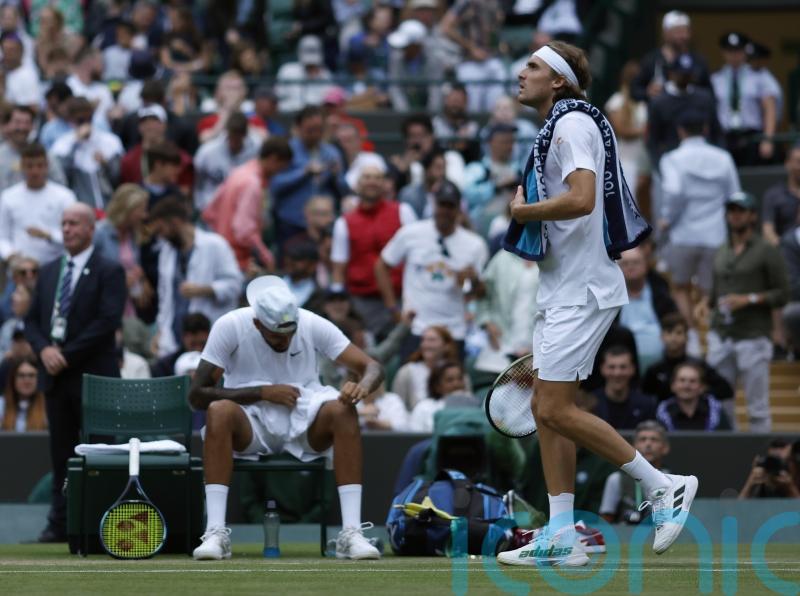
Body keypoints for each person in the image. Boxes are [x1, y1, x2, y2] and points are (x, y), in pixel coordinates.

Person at [497, 41, 696, 568]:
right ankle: (563, 535)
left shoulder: (571, 124)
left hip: (581, 291)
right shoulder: (560, 124)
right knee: (545, 411)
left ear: (558, 81)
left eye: (533, 66)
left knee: (554, 408)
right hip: (561, 288)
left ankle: (662, 484)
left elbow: (582, 198)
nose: (521, 74)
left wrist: (524, 212)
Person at [188, 276, 384, 560]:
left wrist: (363, 386)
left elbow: (372, 366)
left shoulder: (310, 322)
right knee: (218, 411)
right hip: (250, 423)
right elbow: (197, 396)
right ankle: (216, 533)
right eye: (277, 336)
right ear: (257, 323)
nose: (286, 340)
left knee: (343, 410)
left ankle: (351, 533)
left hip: (305, 420)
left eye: (291, 333)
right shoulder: (230, 325)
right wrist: (263, 393)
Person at [25, 203, 126, 542]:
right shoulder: (49, 271)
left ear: (90, 229)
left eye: (74, 223)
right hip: (56, 378)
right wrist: (44, 350)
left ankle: (101, 522)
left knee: (101, 453)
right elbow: (31, 321)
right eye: (64, 223)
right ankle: (60, 523)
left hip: (95, 377)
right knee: (61, 455)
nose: (67, 229)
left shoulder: (109, 270)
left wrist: (64, 355)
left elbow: (107, 320)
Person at [706, 191, 788, 432]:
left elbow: (783, 294)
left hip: (753, 335)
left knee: (757, 408)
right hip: (721, 333)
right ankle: (724, 450)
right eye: (731, 210)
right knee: (721, 404)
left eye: (741, 210)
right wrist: (705, 305)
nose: (735, 215)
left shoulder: (767, 250)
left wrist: (750, 299)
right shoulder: (722, 250)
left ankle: (760, 453)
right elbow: (715, 293)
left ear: (752, 216)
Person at [375, 183, 487, 361]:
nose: (445, 211)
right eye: (442, 204)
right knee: (411, 376)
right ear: (434, 205)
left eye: (450, 206)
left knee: (450, 378)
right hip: (416, 327)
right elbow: (381, 265)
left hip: (453, 330)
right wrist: (393, 309)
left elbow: (478, 293)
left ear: (459, 208)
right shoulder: (411, 233)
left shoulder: (475, 244)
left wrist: (471, 280)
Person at [658, 110, 740, 349]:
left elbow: (674, 192)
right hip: (715, 235)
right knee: (710, 290)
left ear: (680, 131)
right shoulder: (723, 157)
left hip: (683, 235)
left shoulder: (671, 158)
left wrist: (667, 218)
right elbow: (734, 195)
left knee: (680, 287)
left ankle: (693, 336)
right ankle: (712, 336)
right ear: (705, 129)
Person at [148, 198, 242, 358]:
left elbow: (235, 285)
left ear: (175, 222)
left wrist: (204, 290)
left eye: (161, 229)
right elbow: (165, 298)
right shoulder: (166, 252)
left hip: (207, 336)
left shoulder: (215, 244)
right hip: (175, 338)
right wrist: (161, 331)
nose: (161, 236)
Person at [331, 165, 417, 338]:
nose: (372, 182)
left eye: (377, 178)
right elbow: (339, 268)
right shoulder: (344, 222)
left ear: (385, 184)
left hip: (402, 298)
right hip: (363, 303)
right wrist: (339, 304)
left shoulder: (403, 211)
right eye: (367, 177)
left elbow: (416, 254)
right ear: (357, 184)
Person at [202, 137, 294, 272]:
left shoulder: (238, 172)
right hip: (237, 260)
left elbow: (209, 213)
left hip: (222, 253)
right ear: (273, 159)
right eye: (281, 168)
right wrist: (266, 256)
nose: (278, 174)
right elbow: (243, 230)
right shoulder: (252, 183)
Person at [0, 143, 77, 266]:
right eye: (29, 166)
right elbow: (2, 237)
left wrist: (49, 236)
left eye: (40, 166)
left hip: (56, 266)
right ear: (21, 167)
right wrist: (11, 256)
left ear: (47, 166)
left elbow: (74, 235)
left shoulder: (65, 196)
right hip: (19, 268)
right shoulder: (8, 197)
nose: (35, 171)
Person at [711, 32, 779, 166]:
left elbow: (770, 109)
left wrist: (768, 139)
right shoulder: (715, 79)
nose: (734, 55)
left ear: (745, 52)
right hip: (725, 137)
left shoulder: (759, 76)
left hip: (752, 137)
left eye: (738, 51)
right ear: (723, 52)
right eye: (730, 51)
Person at [641, 312, 733, 403]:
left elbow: (726, 390)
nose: (673, 337)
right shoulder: (654, 370)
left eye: (679, 333)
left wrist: (700, 393)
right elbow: (644, 397)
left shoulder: (698, 366)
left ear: (686, 337)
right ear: (661, 336)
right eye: (669, 332)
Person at [631, 11, 711, 102]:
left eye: (686, 31)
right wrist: (647, 92)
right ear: (665, 33)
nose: (683, 36)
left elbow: (709, 93)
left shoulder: (698, 61)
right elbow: (635, 90)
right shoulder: (652, 60)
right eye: (678, 32)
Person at [599, 420, 670, 524]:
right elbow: (605, 520)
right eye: (642, 439)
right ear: (633, 447)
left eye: (654, 440)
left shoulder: (673, 480)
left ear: (665, 448)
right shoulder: (617, 479)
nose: (648, 444)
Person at [193, 112, 261, 211]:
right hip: (211, 206)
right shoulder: (207, 152)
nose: (234, 140)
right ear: (227, 132)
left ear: (245, 135)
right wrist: (200, 205)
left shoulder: (256, 150)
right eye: (232, 136)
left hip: (242, 207)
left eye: (238, 137)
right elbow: (197, 181)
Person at [391, 325, 463, 412]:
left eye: (432, 340)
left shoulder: (456, 371)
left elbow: (466, 399)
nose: (426, 344)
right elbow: (397, 405)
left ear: (446, 346)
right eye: (423, 340)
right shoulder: (406, 371)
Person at [592, 345, 658, 431]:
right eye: (611, 367)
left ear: (632, 369)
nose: (617, 373)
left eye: (623, 367)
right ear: (602, 369)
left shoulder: (647, 405)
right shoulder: (591, 403)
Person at [655, 362, 732, 432]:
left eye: (692, 381)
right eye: (682, 380)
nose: (686, 386)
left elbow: (727, 439)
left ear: (702, 387)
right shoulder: (662, 412)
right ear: (673, 386)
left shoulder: (716, 411)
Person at [408, 360, 471, 433]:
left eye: (460, 379)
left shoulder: (474, 405)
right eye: (450, 380)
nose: (456, 384)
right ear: (437, 386)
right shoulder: (423, 407)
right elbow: (414, 437)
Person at [151, 312, 211, 378]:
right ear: (183, 337)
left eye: (202, 344)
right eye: (193, 344)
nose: (198, 349)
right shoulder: (164, 367)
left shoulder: (216, 365)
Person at [762, 144, 800, 246]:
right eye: (798, 162)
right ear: (787, 163)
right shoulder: (774, 195)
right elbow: (767, 231)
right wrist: (786, 248)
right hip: (784, 249)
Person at [0, 355, 47, 431]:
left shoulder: (47, 408)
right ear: (13, 379)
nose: (26, 381)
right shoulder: (1, 405)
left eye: (31, 375)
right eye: (21, 375)